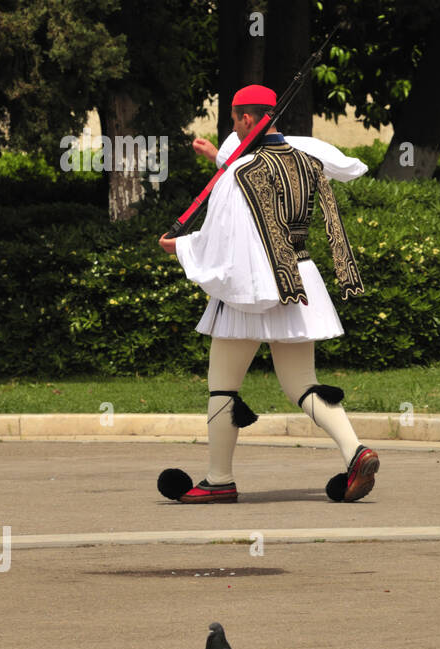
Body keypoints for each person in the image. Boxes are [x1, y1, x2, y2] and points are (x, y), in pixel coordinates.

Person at [155, 84, 377, 504]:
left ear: (246, 119)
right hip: (299, 278)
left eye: (235, 122)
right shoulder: (306, 162)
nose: (233, 131)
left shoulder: (240, 173)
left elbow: (227, 242)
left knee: (223, 386)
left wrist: (179, 246)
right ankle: (355, 451)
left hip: (252, 284)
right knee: (302, 384)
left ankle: (219, 479)